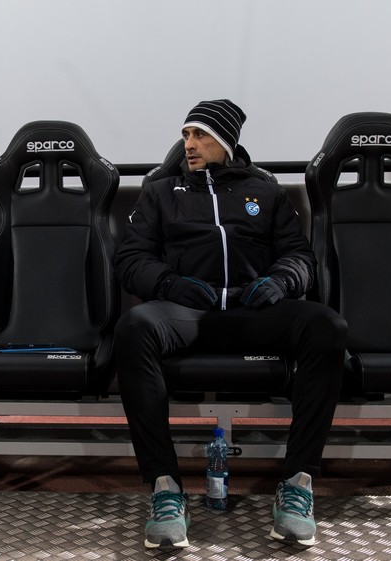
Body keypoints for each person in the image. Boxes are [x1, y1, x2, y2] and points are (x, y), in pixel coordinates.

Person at [114, 99, 347, 549]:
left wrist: (280, 282)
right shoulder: (160, 191)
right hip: (189, 312)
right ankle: (165, 488)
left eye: (200, 135)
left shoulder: (265, 191)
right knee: (134, 327)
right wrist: (170, 283)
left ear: (225, 141)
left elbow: (299, 257)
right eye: (185, 134)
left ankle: (297, 484)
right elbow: (129, 259)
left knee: (327, 327)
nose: (189, 144)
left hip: (252, 310)